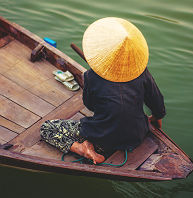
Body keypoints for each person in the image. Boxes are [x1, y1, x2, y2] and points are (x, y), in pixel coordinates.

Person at [40, 17, 166, 164]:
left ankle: (81, 148)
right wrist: (156, 119)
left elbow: (90, 105)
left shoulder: (91, 76)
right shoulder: (142, 72)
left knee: (47, 129)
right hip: (137, 134)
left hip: (101, 137)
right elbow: (157, 103)